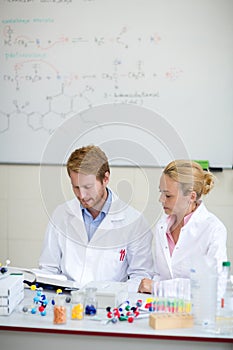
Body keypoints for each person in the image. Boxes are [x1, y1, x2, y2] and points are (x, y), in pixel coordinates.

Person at [38, 145, 154, 292]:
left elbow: (141, 277)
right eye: (76, 187)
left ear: (105, 178)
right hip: (66, 301)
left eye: (88, 187)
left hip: (110, 305)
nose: (82, 195)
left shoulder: (135, 222)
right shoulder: (61, 214)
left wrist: (111, 294)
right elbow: (48, 269)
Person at [138, 160, 227, 294]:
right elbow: (159, 274)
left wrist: (158, 287)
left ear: (191, 197)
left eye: (168, 195)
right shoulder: (162, 226)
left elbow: (214, 286)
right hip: (161, 309)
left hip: (195, 311)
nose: (161, 199)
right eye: (161, 192)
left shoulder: (213, 229)